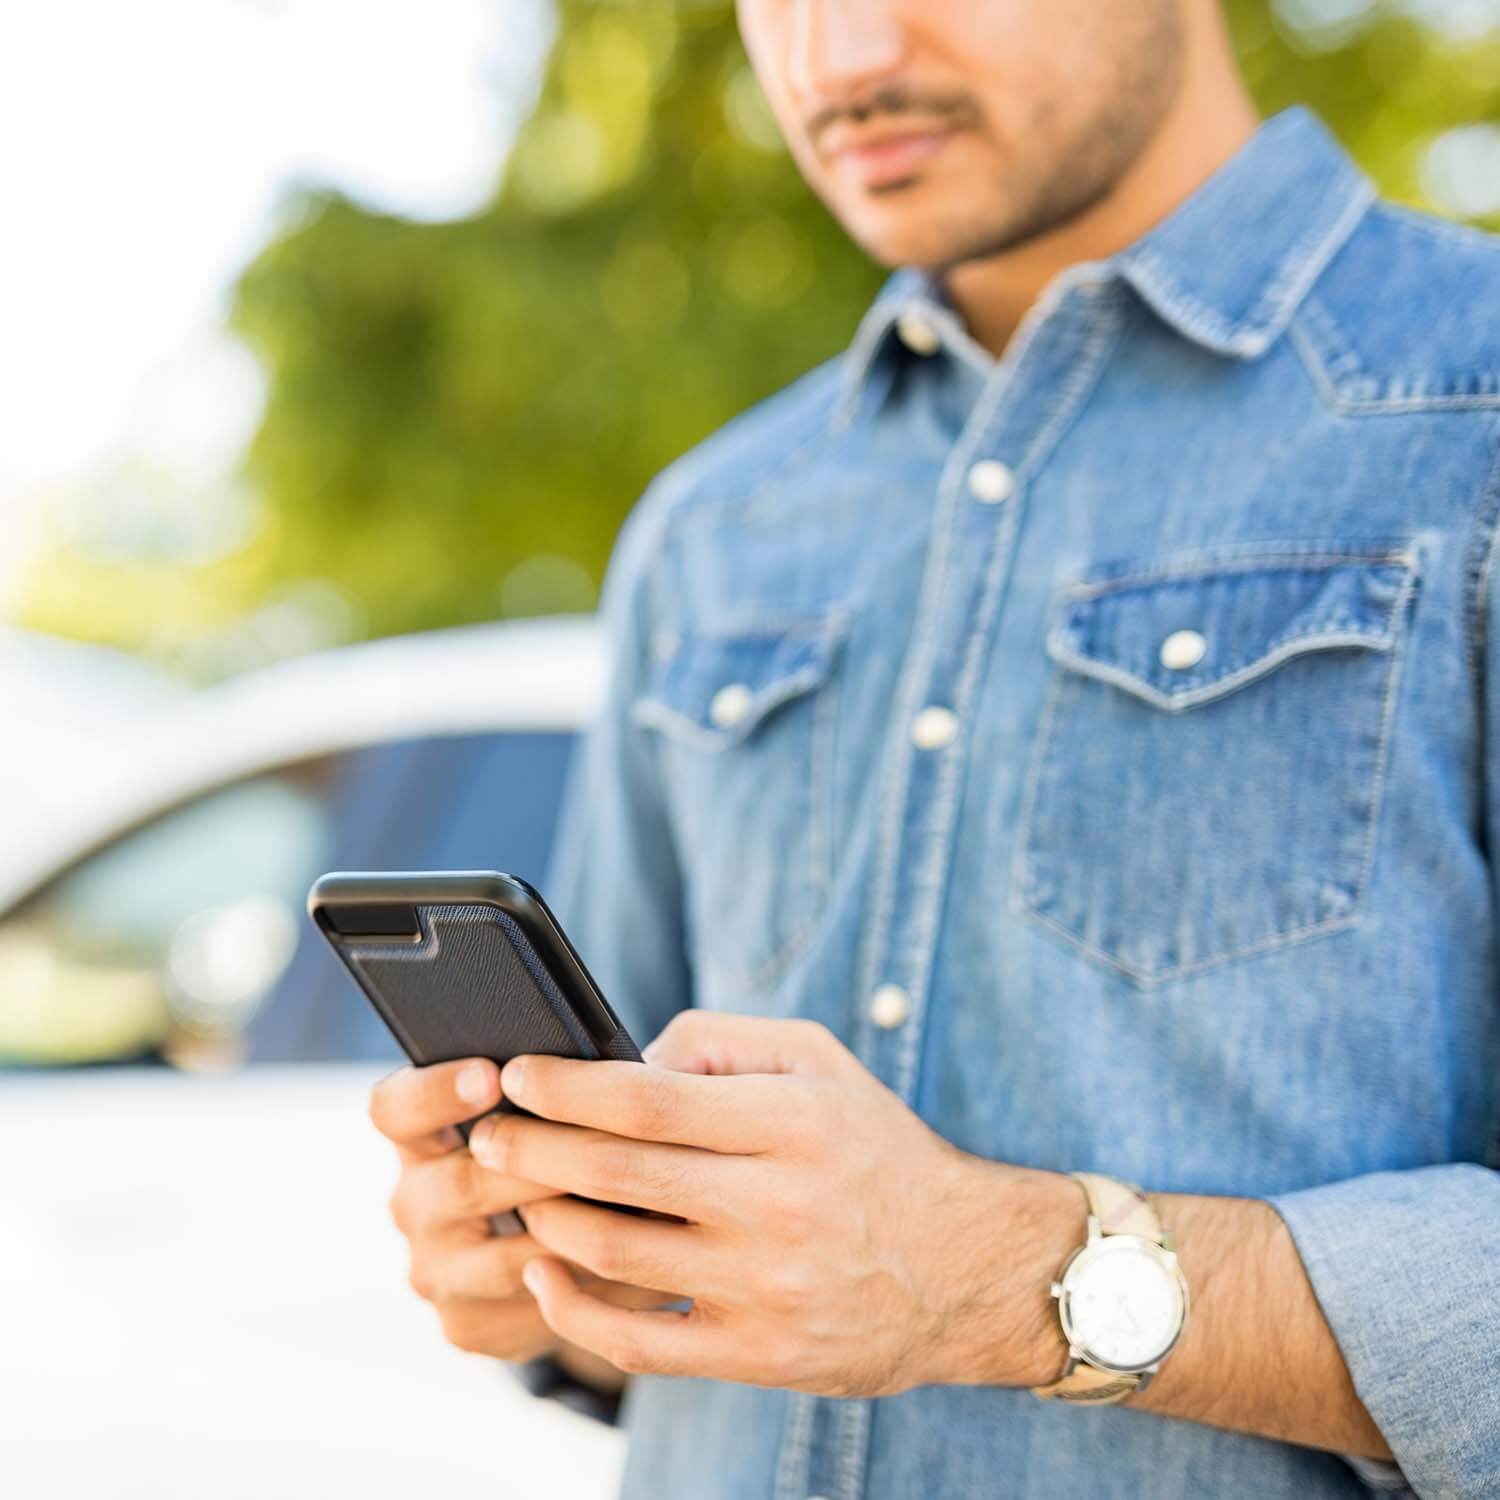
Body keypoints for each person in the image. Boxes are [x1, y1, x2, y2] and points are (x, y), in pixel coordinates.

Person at [366, 1, 1500, 1495]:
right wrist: (556, 1265)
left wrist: (998, 1277)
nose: (835, 63)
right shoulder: (711, 528)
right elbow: (648, 1227)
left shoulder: (1474, 419)